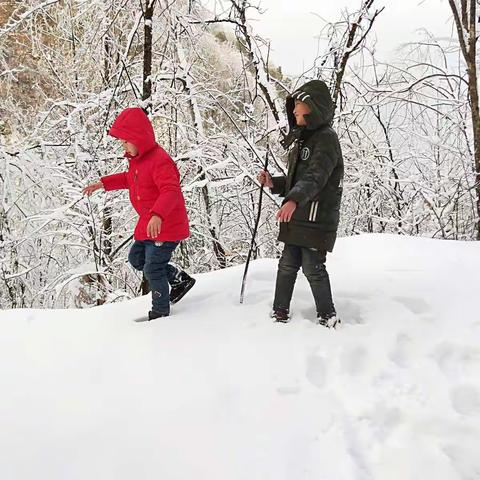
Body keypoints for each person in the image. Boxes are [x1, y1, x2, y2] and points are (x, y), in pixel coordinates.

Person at [83, 107, 195, 320]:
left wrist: (158, 215)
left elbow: (170, 191)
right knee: (137, 259)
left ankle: (160, 312)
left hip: (166, 225)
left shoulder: (160, 161)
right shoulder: (138, 161)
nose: (123, 146)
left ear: (139, 138)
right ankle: (179, 279)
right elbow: (129, 179)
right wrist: (102, 184)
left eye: (126, 141)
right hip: (149, 224)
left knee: (152, 269)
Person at [257, 80, 343, 327]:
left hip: (316, 218)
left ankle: (328, 316)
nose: (294, 112)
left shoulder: (326, 139)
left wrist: (293, 200)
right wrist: (273, 183)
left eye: (299, 106)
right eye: (293, 106)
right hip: (299, 218)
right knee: (286, 265)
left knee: (312, 267)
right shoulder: (304, 140)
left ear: (314, 107)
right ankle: (279, 311)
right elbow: (298, 180)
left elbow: (317, 177)